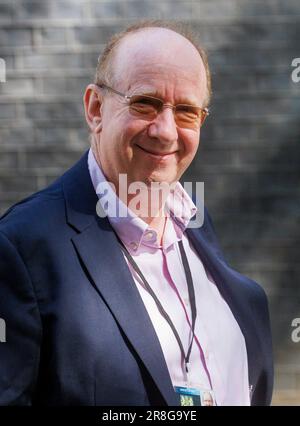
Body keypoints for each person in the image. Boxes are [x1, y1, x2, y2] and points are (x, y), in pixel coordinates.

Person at [0, 20, 273, 406]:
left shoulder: (194, 224)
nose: (165, 131)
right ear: (95, 108)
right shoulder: (20, 247)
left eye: (186, 112)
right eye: (145, 103)